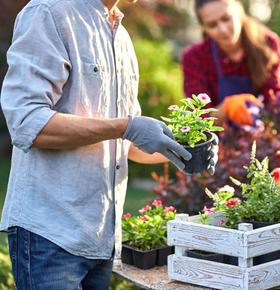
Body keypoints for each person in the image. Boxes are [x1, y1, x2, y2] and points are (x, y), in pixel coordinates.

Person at [0, 0, 218, 288]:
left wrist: (181, 151)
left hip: (100, 240)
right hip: (50, 237)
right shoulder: (49, 13)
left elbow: (126, 144)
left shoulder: (121, 37)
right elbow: (28, 122)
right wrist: (125, 126)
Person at [181, 0, 280, 128]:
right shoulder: (194, 57)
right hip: (221, 142)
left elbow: (274, 94)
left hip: (264, 133)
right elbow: (199, 119)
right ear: (204, 28)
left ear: (239, 12)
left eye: (226, 18)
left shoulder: (267, 43)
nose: (223, 29)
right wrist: (226, 108)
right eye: (212, 25)